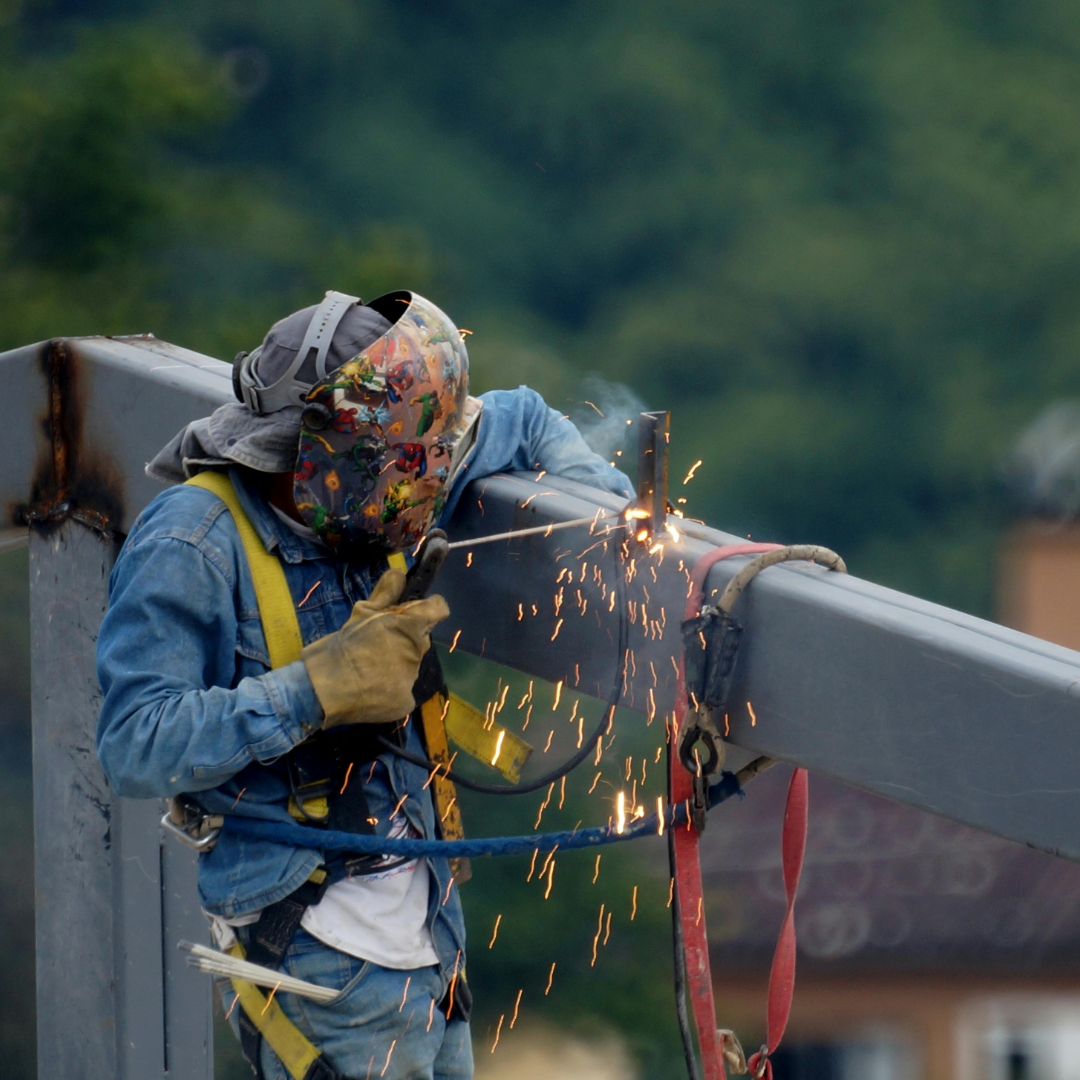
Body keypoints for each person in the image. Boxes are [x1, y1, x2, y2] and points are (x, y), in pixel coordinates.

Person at [95, 289, 633, 1080]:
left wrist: (603, 509)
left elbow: (519, 417)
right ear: (325, 451)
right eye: (407, 465)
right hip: (317, 959)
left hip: (431, 942)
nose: (430, 481)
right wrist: (313, 691)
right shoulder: (192, 542)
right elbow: (134, 745)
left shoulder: (387, 466)